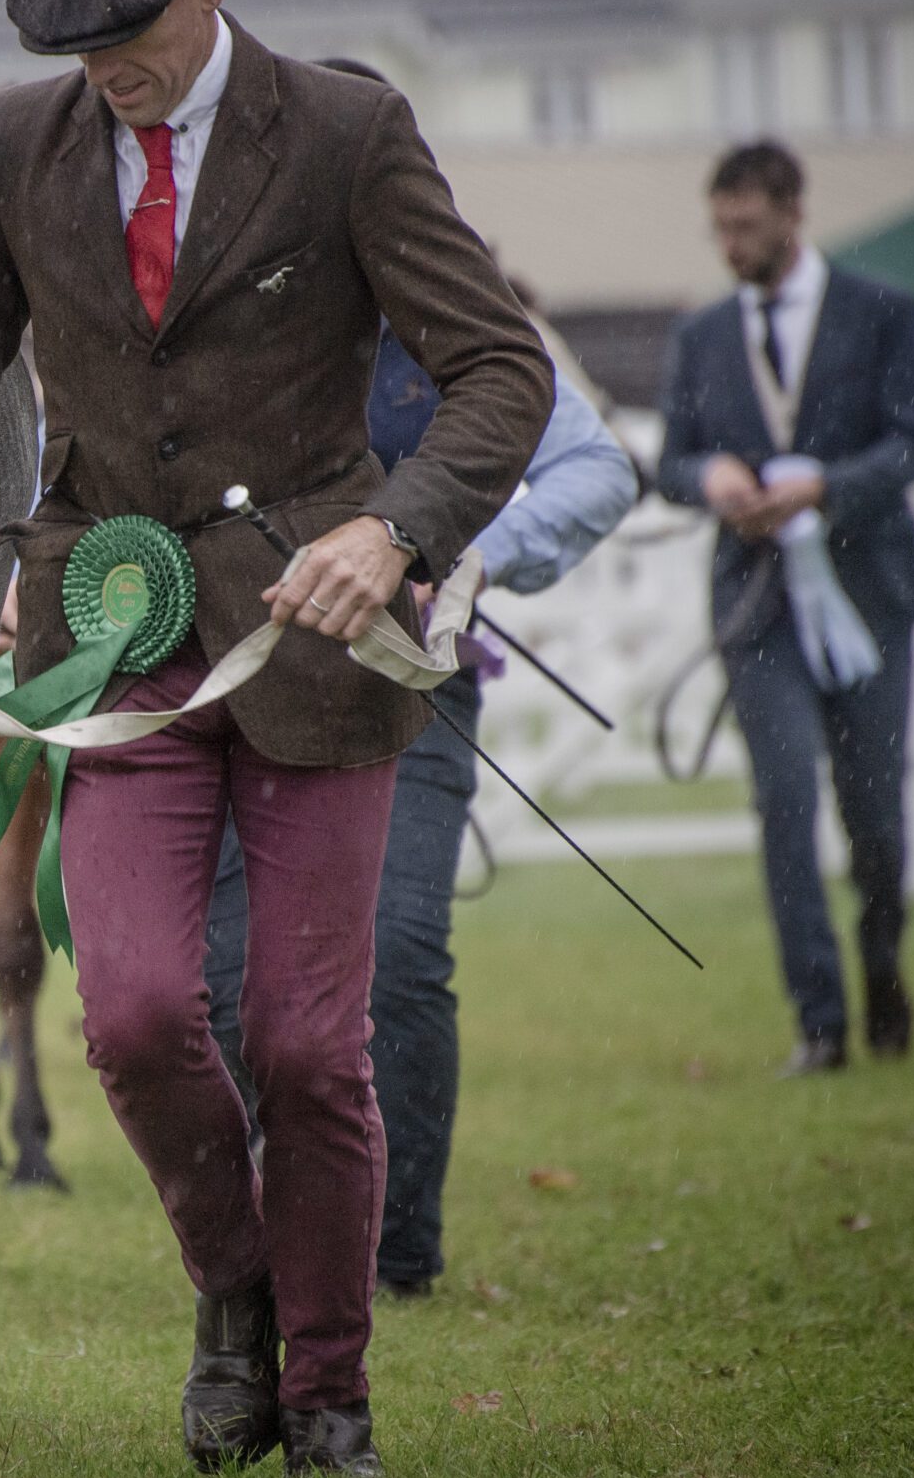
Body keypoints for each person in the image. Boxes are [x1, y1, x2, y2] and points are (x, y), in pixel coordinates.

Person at [0, 0, 552, 1478]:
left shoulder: (347, 133)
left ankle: (327, 1389)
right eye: (77, 46)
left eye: (131, 36)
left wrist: (395, 531)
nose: (106, 69)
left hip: (317, 641)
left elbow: (499, 370)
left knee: (308, 1045)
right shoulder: (16, 142)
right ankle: (237, 1296)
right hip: (113, 644)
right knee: (129, 1014)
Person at [202, 324, 638, 1298]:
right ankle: (266, 1234)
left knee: (397, 950)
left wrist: (468, 552)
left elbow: (597, 470)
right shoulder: (215, 307)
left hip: (410, 681)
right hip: (235, 686)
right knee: (228, 974)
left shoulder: (447, 318)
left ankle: (391, 1255)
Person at [658, 141, 914, 1076]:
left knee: (876, 816)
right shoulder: (701, 335)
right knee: (784, 800)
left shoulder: (881, 311)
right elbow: (670, 462)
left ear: (792, 214)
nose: (730, 245)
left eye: (745, 226)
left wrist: (825, 487)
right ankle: (819, 1019)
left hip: (870, 597)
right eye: (719, 228)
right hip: (758, 606)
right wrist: (712, 476)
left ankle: (883, 966)